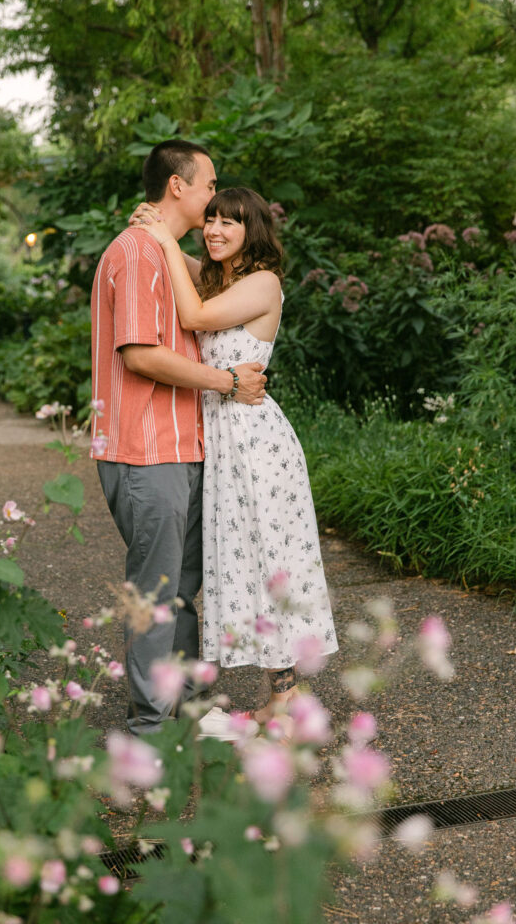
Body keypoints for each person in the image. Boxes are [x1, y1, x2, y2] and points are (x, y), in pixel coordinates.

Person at [134, 186, 338, 723]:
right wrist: (159, 229)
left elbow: (196, 316)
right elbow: (186, 270)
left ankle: (288, 698)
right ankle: (280, 696)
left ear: (254, 231)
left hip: (254, 443)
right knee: (242, 562)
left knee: (270, 559)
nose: (216, 230)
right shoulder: (219, 276)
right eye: (211, 221)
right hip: (223, 439)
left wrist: (162, 239)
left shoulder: (263, 283)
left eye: (230, 223)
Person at [90, 141, 267, 736]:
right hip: (146, 453)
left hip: (184, 448)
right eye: (209, 184)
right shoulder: (138, 254)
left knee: (188, 592)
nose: (215, 196)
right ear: (177, 187)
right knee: (156, 595)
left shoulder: (162, 254)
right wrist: (226, 381)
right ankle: (149, 730)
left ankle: (188, 709)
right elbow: (140, 355)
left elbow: (210, 300)